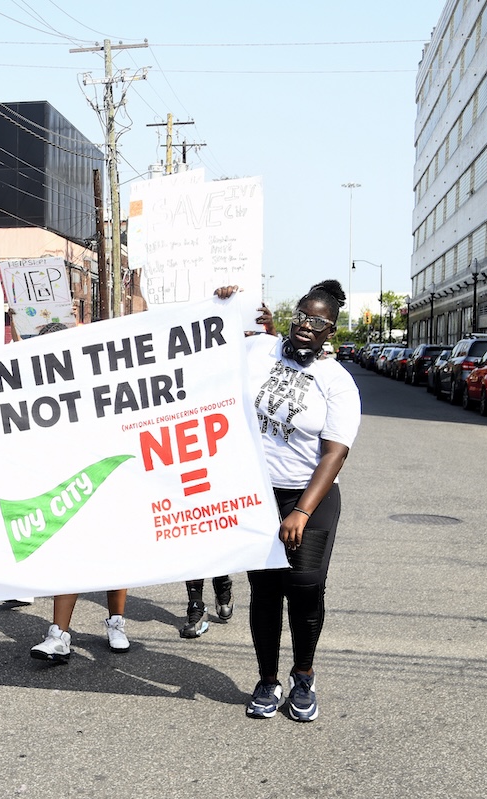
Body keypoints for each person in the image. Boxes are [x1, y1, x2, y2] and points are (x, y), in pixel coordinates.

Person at [216, 280, 360, 723]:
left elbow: (335, 453)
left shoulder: (337, 381)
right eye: (301, 315)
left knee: (304, 588)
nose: (305, 325)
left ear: (329, 331)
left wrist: (300, 510)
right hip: (257, 494)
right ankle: (266, 679)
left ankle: (302, 674)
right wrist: (221, 303)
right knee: (264, 591)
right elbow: (209, 343)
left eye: (318, 321)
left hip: (308, 496)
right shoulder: (259, 350)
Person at [28, 320, 129, 662]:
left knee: (113, 555)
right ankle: (59, 635)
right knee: (67, 556)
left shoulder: (98, 382)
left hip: (103, 478)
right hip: (62, 485)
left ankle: (116, 622)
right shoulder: (30, 389)